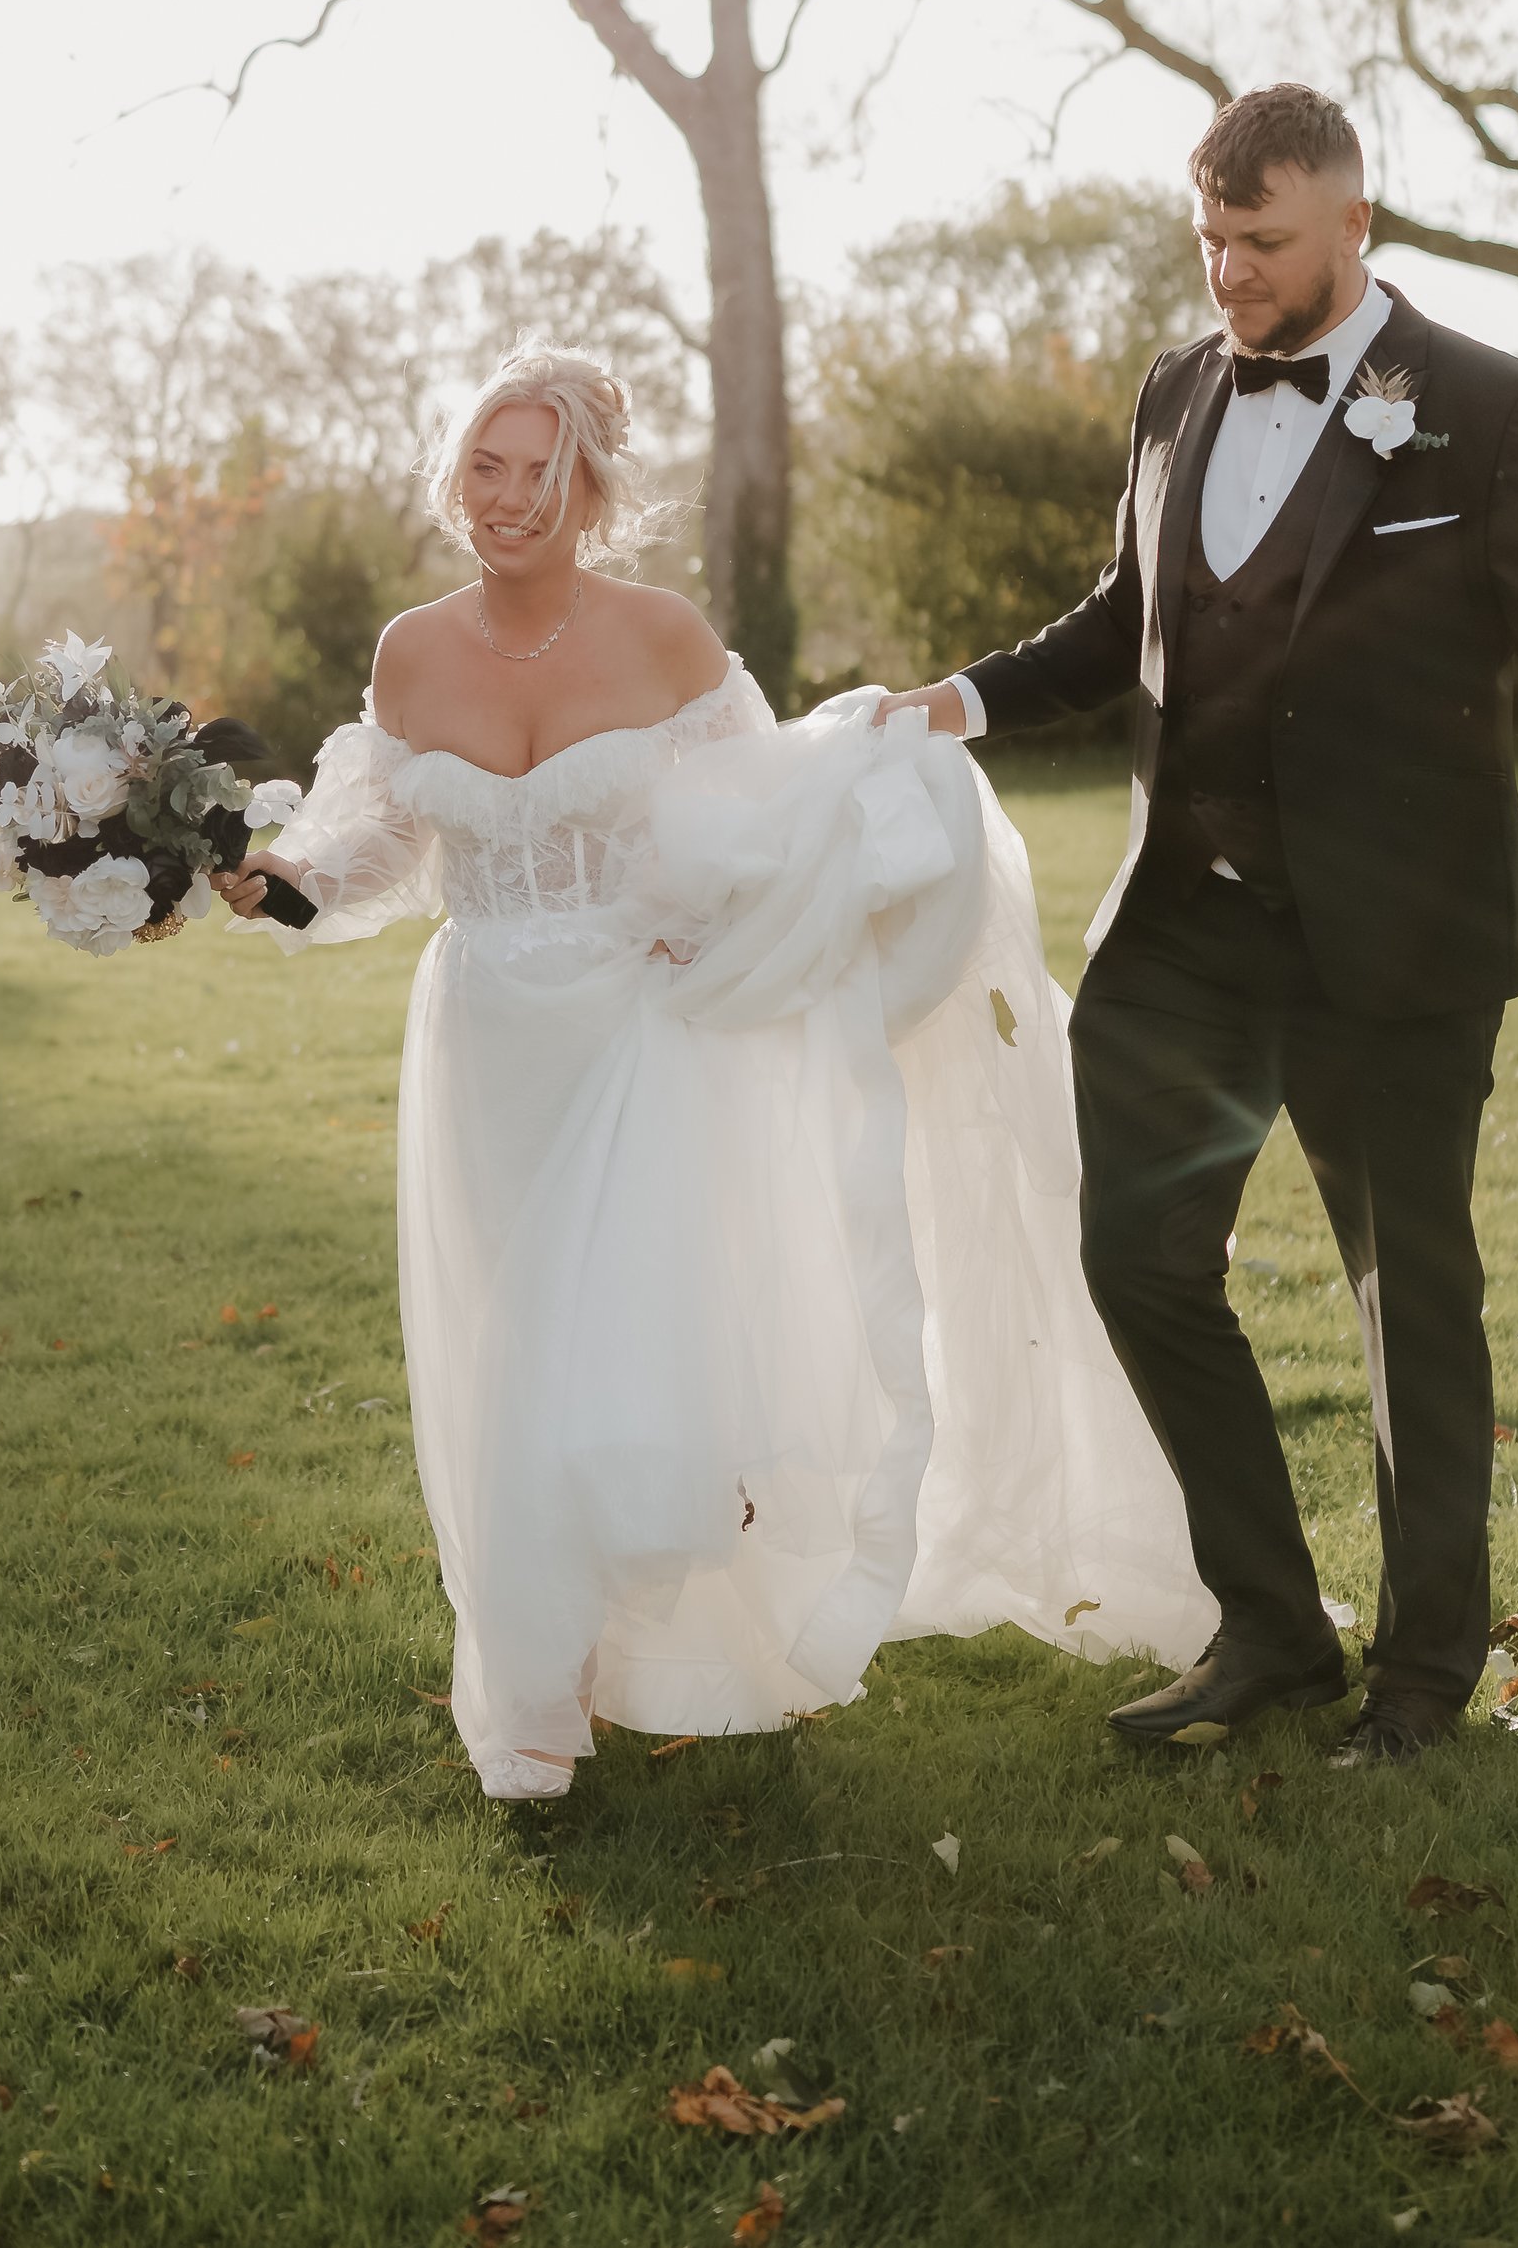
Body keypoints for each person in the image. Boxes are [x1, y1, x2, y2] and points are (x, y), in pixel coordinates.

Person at [216, 349, 1226, 1799]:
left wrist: (752, 890)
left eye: (541, 472)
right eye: (486, 468)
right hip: (488, 1046)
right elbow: (383, 843)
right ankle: (564, 1654)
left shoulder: (667, 641)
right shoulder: (411, 652)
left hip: (640, 1039)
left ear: (594, 491)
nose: (509, 500)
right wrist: (284, 881)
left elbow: (770, 823)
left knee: (589, 1365)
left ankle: (538, 1704)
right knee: (512, 1354)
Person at [879, 84, 1518, 1768]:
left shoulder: (1488, 408)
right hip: (1184, 926)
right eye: (1211, 238)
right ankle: (1274, 1625)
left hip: (1396, 937)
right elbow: (1124, 622)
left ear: (1355, 223)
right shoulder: (1176, 388)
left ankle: (1426, 1671)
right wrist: (953, 700)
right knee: (1139, 1263)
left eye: (1265, 241)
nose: (1230, 272)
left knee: (1408, 1301)